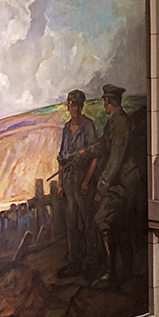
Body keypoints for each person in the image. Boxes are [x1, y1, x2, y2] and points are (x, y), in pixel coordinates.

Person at [86, 84, 142, 284]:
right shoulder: (115, 121)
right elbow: (104, 143)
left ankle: (111, 273)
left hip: (123, 182)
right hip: (121, 180)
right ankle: (124, 271)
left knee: (103, 220)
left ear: (108, 101)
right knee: (119, 225)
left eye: (104, 101)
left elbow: (116, 157)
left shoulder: (119, 122)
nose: (104, 104)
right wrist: (87, 150)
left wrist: (102, 187)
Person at [57, 89, 99, 278]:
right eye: (71, 104)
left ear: (81, 107)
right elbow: (61, 159)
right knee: (71, 222)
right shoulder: (66, 128)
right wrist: (60, 184)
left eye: (77, 105)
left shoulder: (88, 126)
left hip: (83, 177)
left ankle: (92, 262)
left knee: (87, 221)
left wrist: (87, 180)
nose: (74, 108)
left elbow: (95, 157)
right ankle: (75, 262)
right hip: (68, 179)